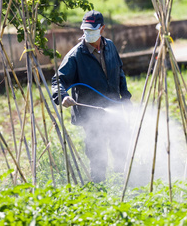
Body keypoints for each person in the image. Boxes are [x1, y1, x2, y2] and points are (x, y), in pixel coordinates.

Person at [52, 10, 132, 183]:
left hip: (113, 108)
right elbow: (58, 80)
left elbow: (120, 73)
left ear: (101, 28)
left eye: (92, 30)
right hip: (91, 114)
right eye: (85, 30)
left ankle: (122, 183)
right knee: (97, 153)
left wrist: (125, 98)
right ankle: (99, 188)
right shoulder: (76, 56)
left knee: (120, 148)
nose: (87, 33)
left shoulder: (110, 47)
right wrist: (62, 96)